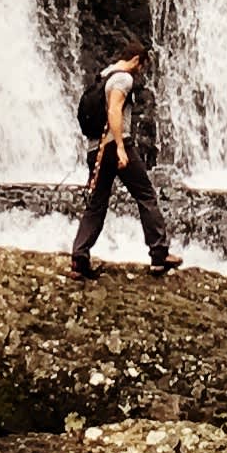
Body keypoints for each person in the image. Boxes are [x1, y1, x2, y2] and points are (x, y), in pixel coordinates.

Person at [70, 44, 180, 279]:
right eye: (142, 66)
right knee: (146, 195)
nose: (140, 72)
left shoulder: (103, 76)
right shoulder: (123, 78)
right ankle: (159, 255)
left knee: (96, 205)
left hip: (96, 149)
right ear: (136, 60)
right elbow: (114, 111)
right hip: (115, 146)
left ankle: (79, 257)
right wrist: (120, 146)